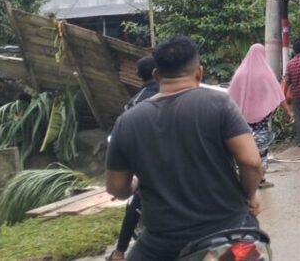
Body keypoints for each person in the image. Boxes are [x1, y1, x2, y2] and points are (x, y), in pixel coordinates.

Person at [105, 36, 263, 261]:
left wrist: (136, 183)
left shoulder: (127, 121)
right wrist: (249, 195)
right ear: (199, 72)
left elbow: (116, 188)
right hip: (228, 232)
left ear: (156, 75)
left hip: (163, 245)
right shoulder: (219, 104)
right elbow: (251, 162)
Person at [108, 56, 159, 260]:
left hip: (149, 165)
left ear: (139, 76)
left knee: (135, 204)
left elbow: (125, 142)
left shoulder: (135, 103)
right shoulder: (182, 95)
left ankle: (120, 252)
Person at [227, 44, 286, 185]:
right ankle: (260, 178)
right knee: (262, 147)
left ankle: (243, 178)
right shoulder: (266, 73)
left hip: (242, 120)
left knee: (243, 148)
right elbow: (277, 93)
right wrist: (287, 110)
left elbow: (230, 96)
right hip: (262, 120)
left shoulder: (240, 73)